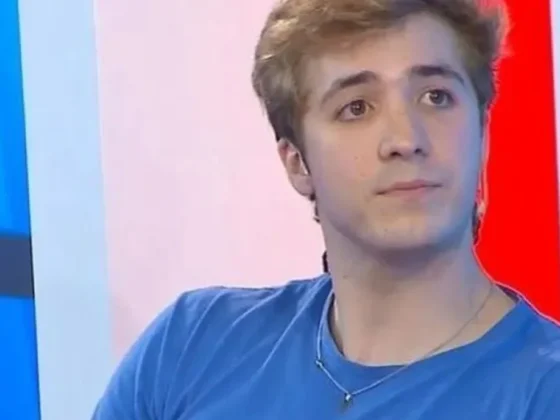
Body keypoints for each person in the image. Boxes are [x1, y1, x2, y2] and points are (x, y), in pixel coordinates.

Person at [93, 0, 560, 418]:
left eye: (435, 96)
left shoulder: (544, 390)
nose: (406, 139)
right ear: (297, 163)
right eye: (356, 107)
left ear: (483, 134)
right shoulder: (191, 348)